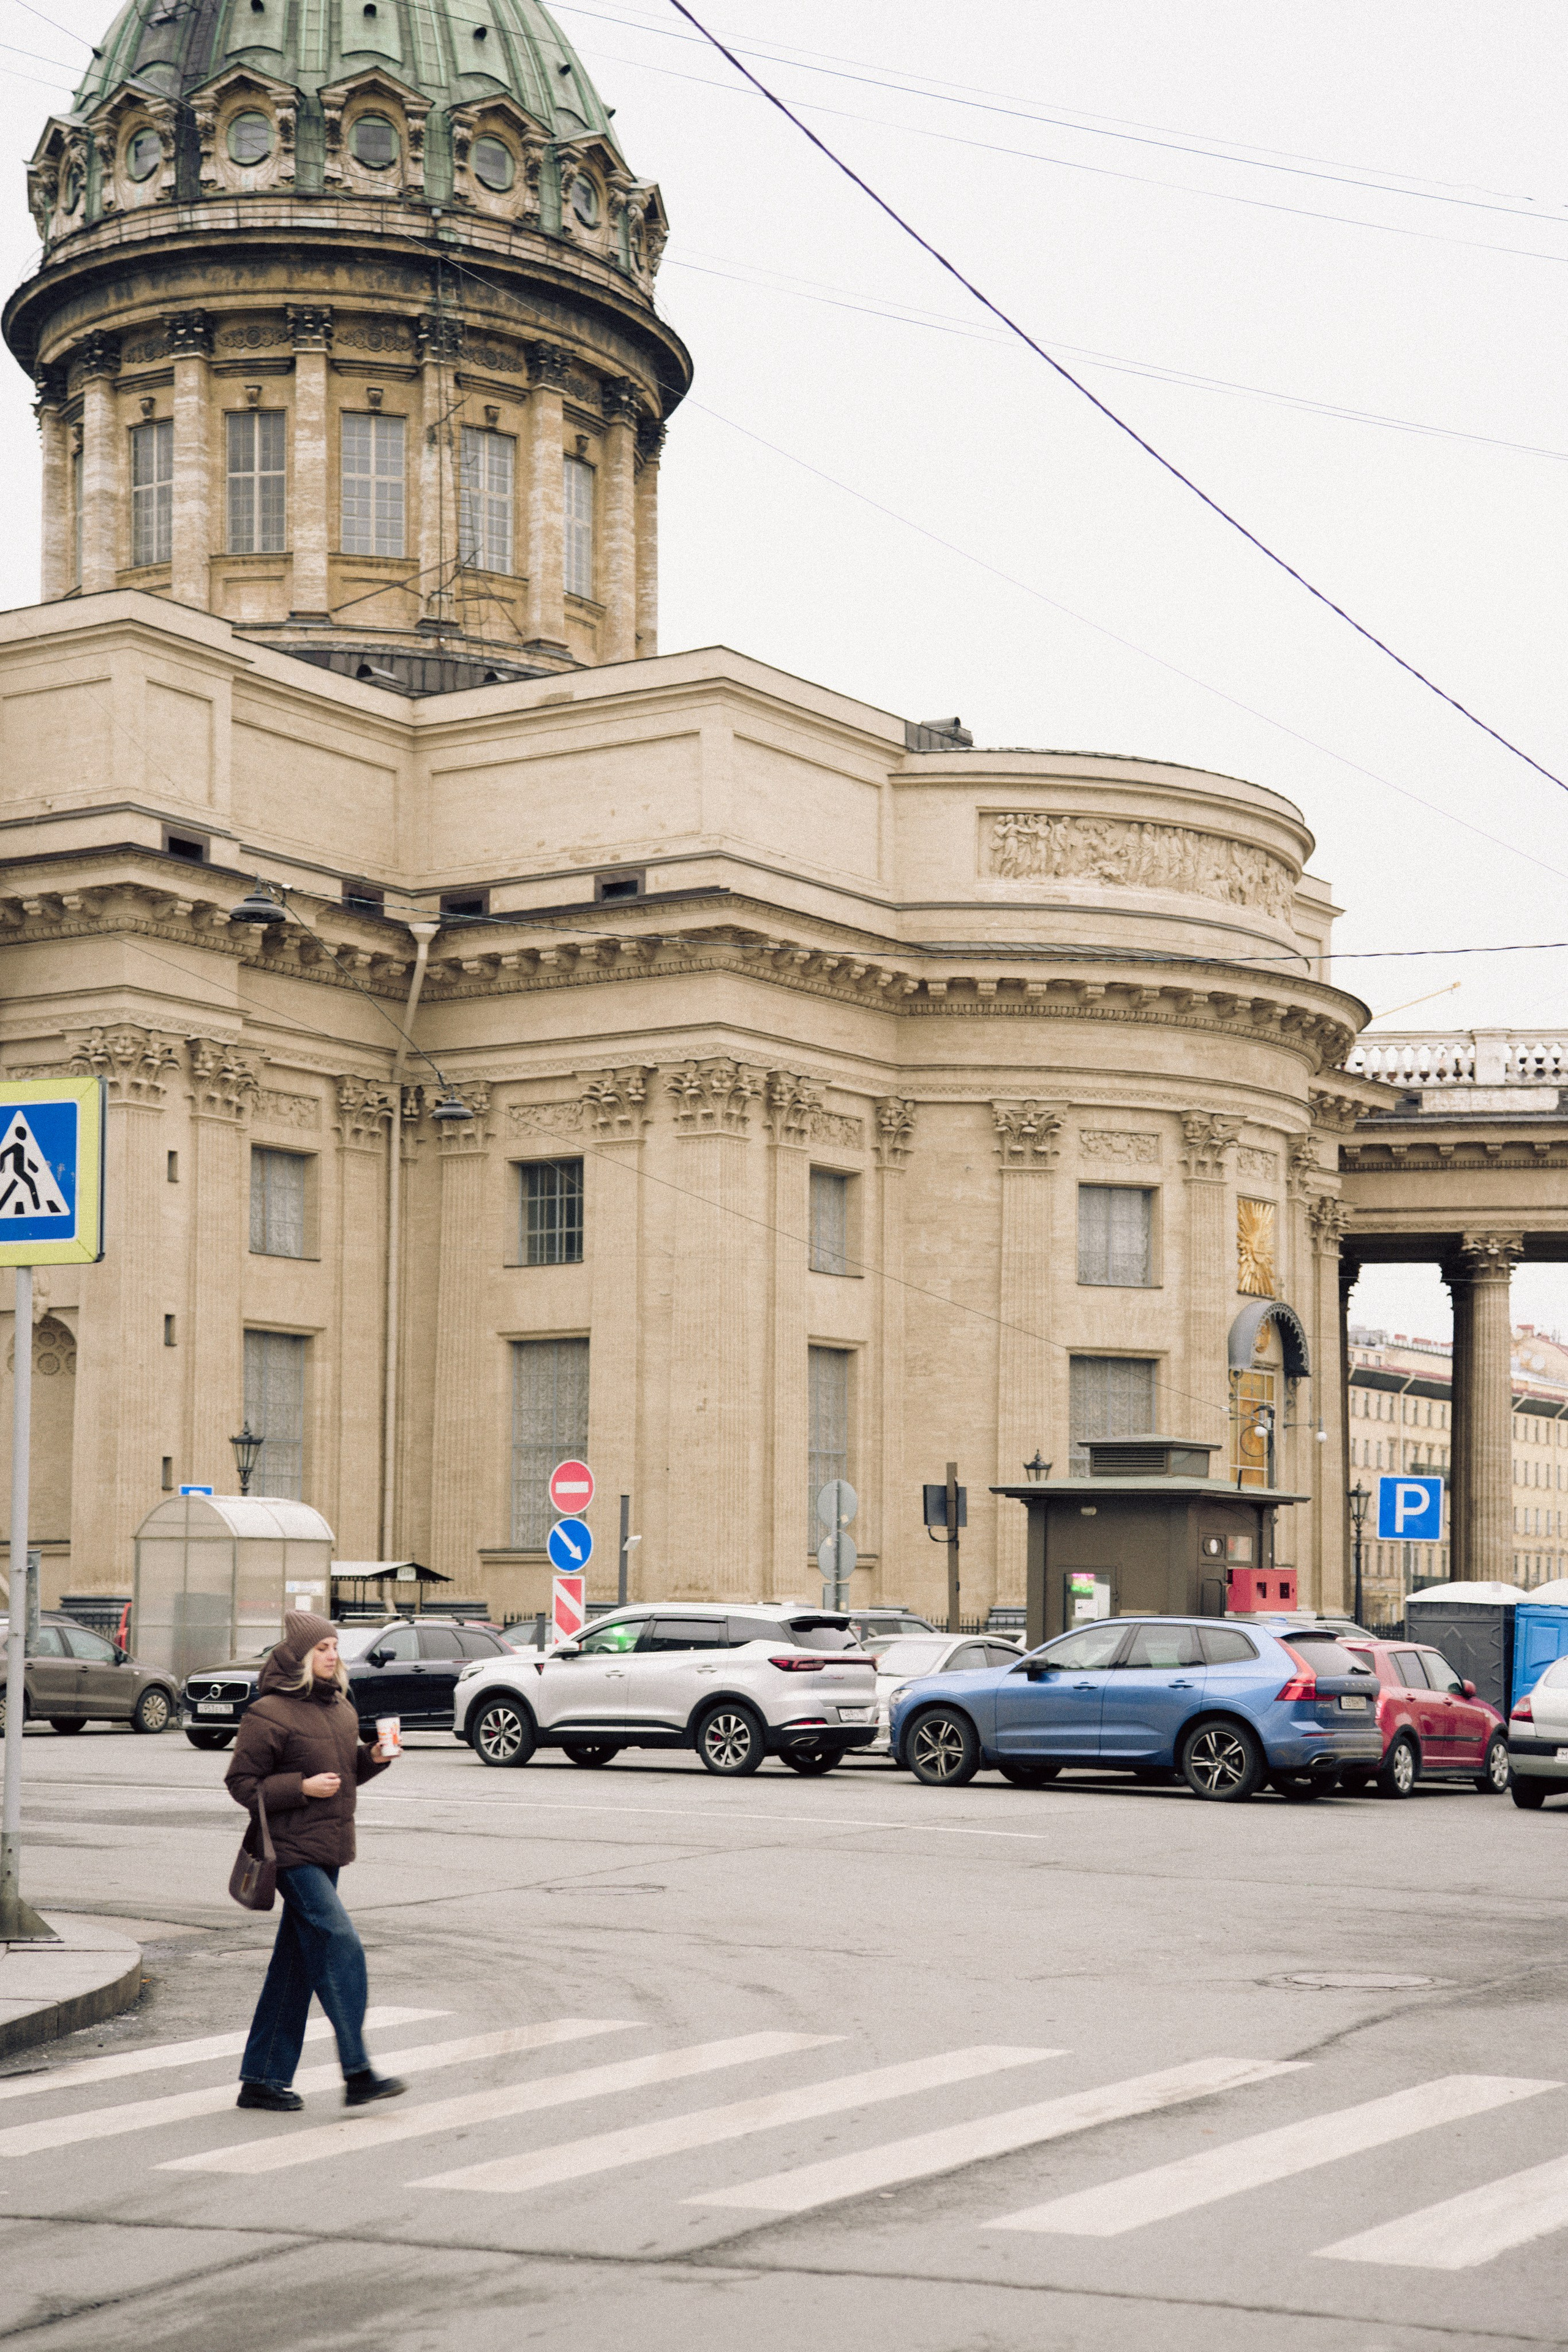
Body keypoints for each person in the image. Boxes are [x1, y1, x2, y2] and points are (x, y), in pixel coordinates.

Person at [225, 1610, 406, 2113]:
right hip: (290, 1853)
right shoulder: (269, 1713)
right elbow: (242, 1784)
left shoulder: (342, 1708)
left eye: (334, 1647)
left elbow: (343, 1776)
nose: (332, 1656)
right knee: (339, 1942)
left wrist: (371, 1759)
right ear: (300, 1657)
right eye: (321, 1649)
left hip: (329, 1850)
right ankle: (358, 2070)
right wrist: (298, 1787)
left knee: (295, 1967)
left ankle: (261, 2079)